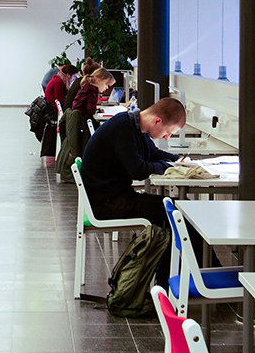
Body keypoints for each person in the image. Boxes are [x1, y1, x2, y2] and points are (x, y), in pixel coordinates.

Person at [80, 97, 204, 289]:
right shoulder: (124, 128)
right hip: (107, 204)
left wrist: (179, 161)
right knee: (175, 215)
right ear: (157, 121)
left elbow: (153, 154)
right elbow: (138, 170)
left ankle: (195, 275)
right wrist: (168, 167)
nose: (167, 138)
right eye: (168, 132)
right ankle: (171, 283)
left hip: (116, 196)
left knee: (179, 210)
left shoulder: (135, 125)